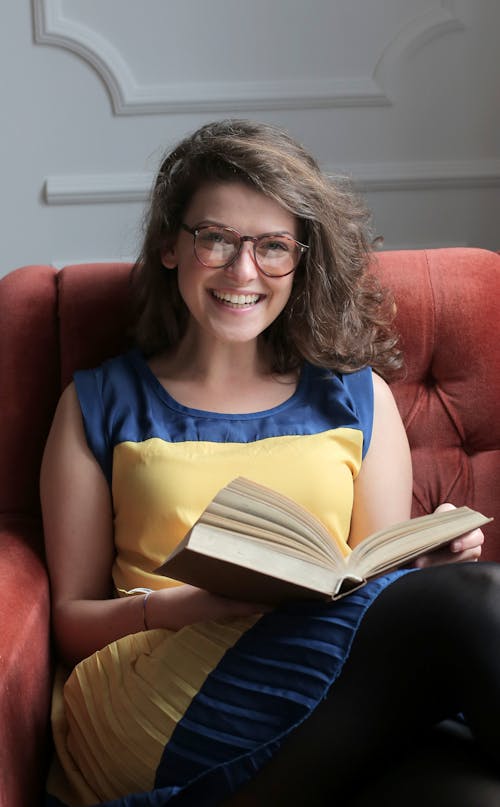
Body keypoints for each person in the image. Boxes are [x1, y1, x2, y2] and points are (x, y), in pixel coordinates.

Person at [41, 119, 500, 807]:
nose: (243, 271)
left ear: (301, 257)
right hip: (154, 694)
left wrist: (422, 567)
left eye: (272, 247)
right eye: (216, 239)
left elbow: (371, 584)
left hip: (319, 681)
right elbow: (71, 620)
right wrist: (188, 604)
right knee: (480, 603)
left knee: (468, 788)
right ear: (171, 245)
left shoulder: (357, 397)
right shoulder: (97, 403)